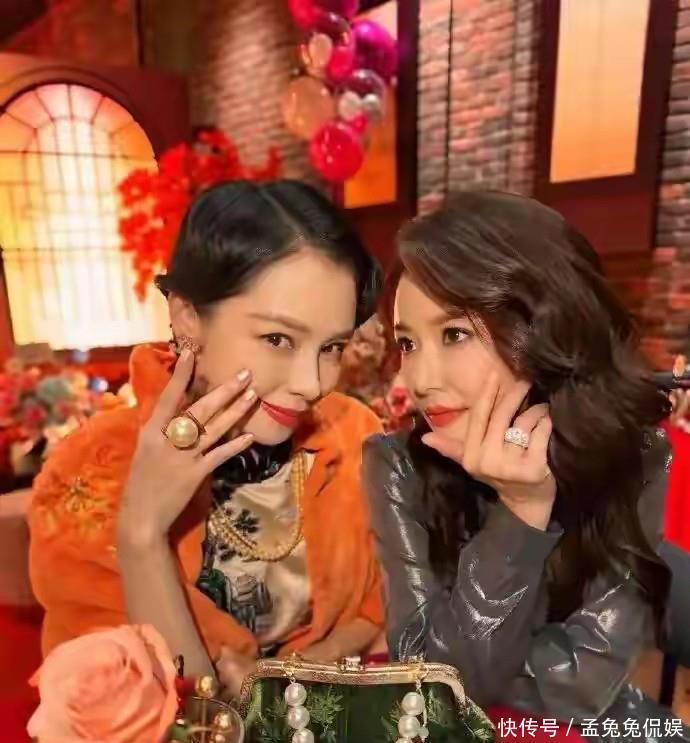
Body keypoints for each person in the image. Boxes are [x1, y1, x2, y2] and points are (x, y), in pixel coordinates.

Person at [29, 180, 386, 696]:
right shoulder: (89, 472)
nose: (312, 383)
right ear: (188, 319)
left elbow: (382, 603)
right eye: (278, 339)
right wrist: (142, 534)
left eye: (331, 346)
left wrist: (286, 673)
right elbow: (156, 711)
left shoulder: (352, 433)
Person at [364, 191, 689, 740]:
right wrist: (520, 514)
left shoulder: (632, 455)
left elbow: (585, 681)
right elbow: (431, 688)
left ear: (544, 329)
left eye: (454, 334)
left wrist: (473, 657)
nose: (418, 379)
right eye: (408, 343)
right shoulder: (397, 464)